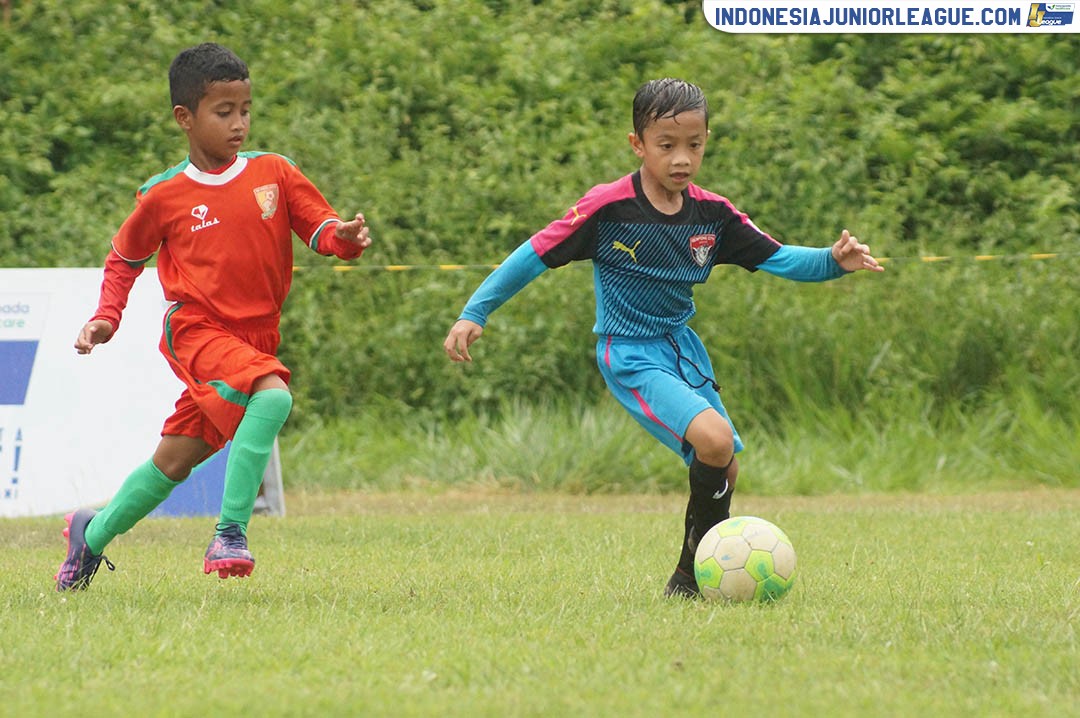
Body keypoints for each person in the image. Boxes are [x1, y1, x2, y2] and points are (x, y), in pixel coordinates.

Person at [443, 78, 882, 598]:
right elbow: (534, 253)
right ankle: (696, 581)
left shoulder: (712, 215)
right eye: (666, 145)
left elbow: (778, 257)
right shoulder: (609, 208)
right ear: (638, 144)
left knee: (725, 466)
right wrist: (476, 311)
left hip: (681, 350)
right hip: (629, 352)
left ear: (706, 141)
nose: (682, 159)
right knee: (714, 441)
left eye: (694, 145)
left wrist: (832, 261)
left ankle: (687, 580)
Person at [54, 43, 372, 591]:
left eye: (245, 110)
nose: (239, 123)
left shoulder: (275, 173)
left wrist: (343, 239)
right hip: (196, 330)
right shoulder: (164, 195)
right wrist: (107, 316)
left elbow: (321, 228)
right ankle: (230, 533)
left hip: (255, 338)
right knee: (273, 397)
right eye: (224, 112)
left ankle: (92, 532)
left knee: (174, 461)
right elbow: (125, 257)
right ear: (185, 117)